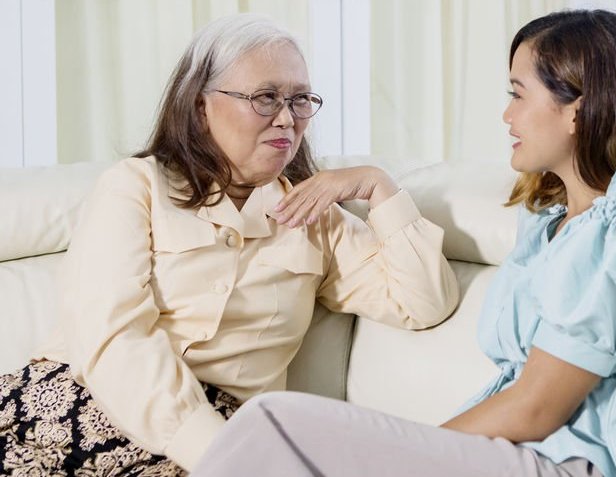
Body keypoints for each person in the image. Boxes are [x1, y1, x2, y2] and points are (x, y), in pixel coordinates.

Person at [191, 8, 616, 477]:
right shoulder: (548, 228)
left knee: (273, 420)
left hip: (589, 461)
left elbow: (537, 408)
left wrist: (411, 453)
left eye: (517, 94)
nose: (507, 115)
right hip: (528, 454)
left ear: (577, 108)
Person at [0, 13, 459, 476]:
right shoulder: (135, 187)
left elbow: (423, 302)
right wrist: (218, 453)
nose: (287, 118)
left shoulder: (315, 218)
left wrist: (379, 187)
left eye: (300, 100)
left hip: (219, 437)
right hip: (70, 407)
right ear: (201, 108)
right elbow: (114, 338)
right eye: (265, 97)